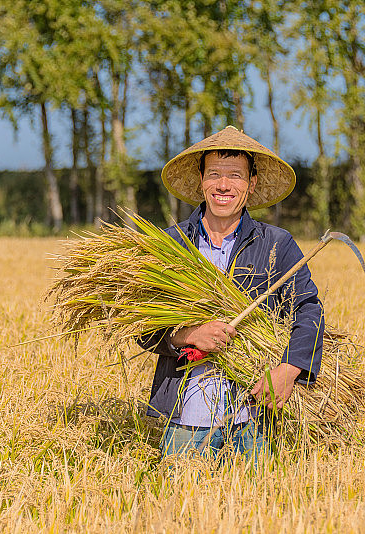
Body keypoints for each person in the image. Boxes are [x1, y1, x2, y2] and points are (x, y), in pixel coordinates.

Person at [138, 126, 324, 463]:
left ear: (251, 183)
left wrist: (291, 368)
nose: (224, 185)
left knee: (259, 505)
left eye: (235, 176)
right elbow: (142, 325)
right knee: (182, 507)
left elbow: (308, 308)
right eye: (215, 175)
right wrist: (188, 335)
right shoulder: (170, 245)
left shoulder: (276, 244)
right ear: (201, 180)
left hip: (254, 416)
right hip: (186, 418)